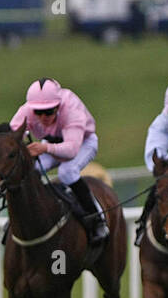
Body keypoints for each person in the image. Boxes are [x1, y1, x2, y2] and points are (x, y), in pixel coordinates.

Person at [9, 78, 108, 245]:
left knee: (67, 172)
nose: (43, 117)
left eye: (48, 111)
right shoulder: (27, 110)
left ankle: (98, 219)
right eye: (38, 112)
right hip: (52, 143)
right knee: (29, 172)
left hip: (83, 143)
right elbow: (12, 133)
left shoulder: (71, 109)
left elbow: (71, 151)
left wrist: (44, 149)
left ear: (58, 106)